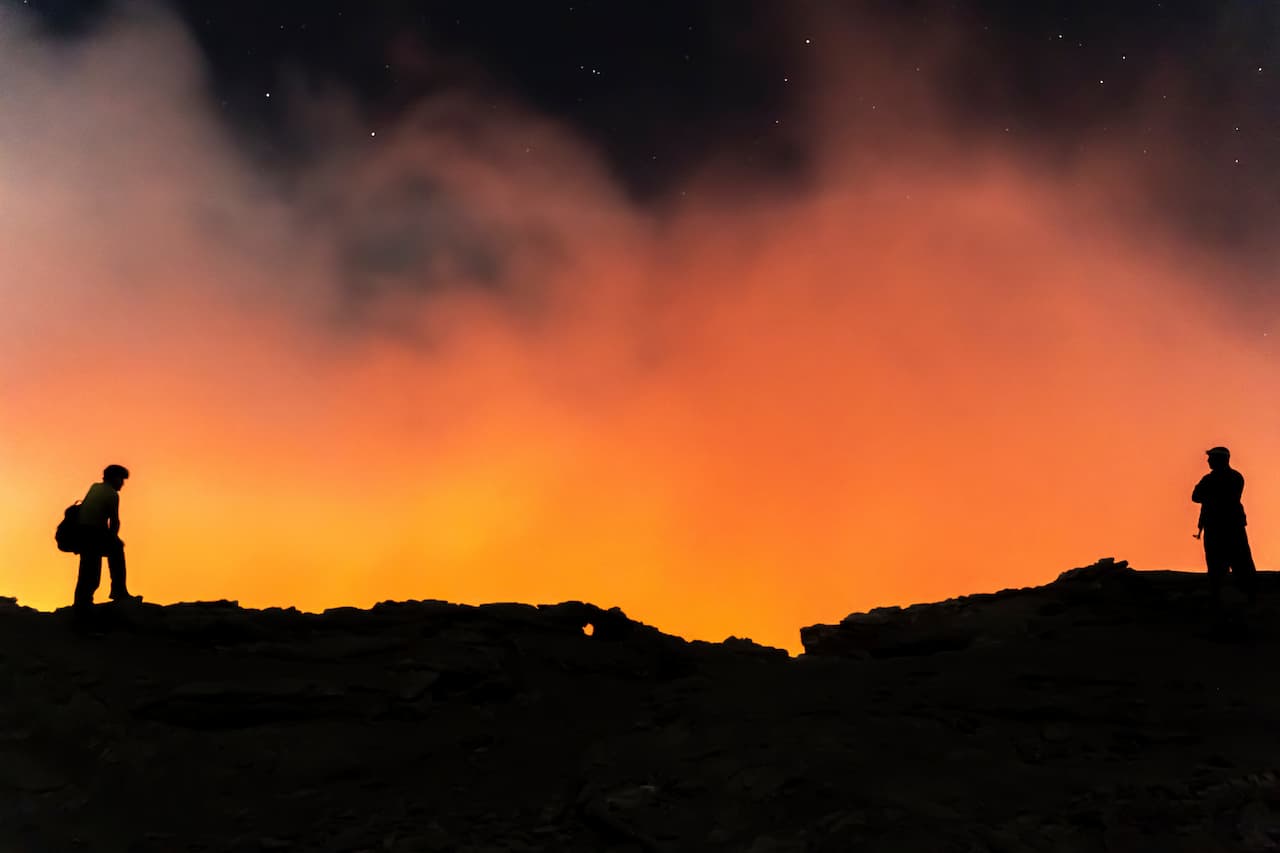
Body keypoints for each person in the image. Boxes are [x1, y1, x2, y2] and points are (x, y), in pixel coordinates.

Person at [1191, 446, 1257, 603]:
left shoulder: (1211, 479)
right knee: (1238, 563)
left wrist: (1210, 496)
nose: (1208, 461)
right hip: (1230, 527)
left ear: (1219, 460)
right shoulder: (1235, 477)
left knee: (1226, 564)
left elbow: (1197, 495)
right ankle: (1245, 596)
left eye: (1211, 458)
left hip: (1220, 528)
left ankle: (1235, 597)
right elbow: (1196, 496)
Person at [73, 464, 141, 617]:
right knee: (99, 566)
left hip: (83, 535)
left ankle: (82, 603)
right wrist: (113, 538)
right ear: (114, 478)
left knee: (88, 572)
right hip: (93, 534)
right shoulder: (111, 494)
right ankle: (118, 591)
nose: (122, 483)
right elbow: (114, 521)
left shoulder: (95, 487)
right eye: (121, 479)